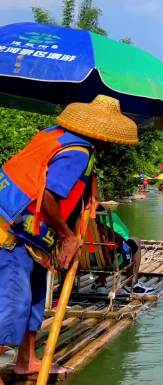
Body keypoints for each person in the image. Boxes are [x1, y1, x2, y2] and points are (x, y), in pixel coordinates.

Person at [0, 95, 137, 378]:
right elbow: (48, 196)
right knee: (12, 302)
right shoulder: (78, 152)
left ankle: (27, 360)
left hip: (26, 233)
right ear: (104, 135)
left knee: (35, 297)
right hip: (12, 233)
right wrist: (68, 236)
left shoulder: (55, 135)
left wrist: (89, 194)